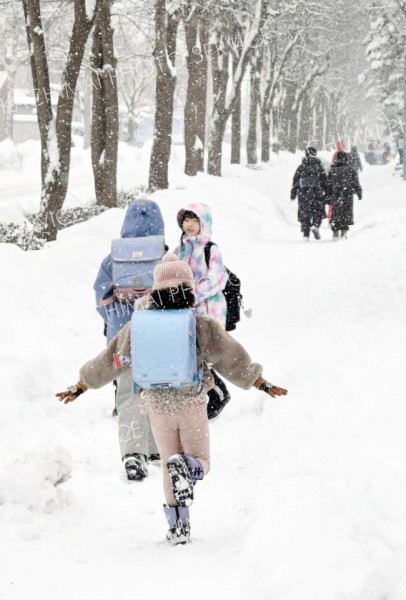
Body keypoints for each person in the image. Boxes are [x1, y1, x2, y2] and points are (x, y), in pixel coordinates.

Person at [56, 253, 288, 545]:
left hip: (156, 405)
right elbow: (230, 357)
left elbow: (113, 359)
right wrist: (258, 380)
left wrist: (82, 384)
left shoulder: (137, 325)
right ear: (188, 287)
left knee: (168, 461)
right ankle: (189, 467)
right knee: (200, 459)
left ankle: (178, 526)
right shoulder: (200, 324)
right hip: (190, 401)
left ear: (156, 289)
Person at [93, 198, 164, 481]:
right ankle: (156, 446)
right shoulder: (166, 256)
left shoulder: (112, 258)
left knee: (127, 393)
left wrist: (117, 318)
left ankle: (133, 452)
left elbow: (100, 297)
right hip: (159, 337)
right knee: (157, 391)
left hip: (123, 339)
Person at [175, 203, 231, 419]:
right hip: (187, 312)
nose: (189, 225)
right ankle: (206, 396)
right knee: (193, 356)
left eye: (194, 220)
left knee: (205, 356)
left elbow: (218, 278)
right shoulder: (180, 248)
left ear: (203, 223)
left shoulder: (210, 249)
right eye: (186, 220)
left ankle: (219, 394)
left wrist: (193, 293)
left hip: (210, 311)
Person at [290, 147, 328, 241]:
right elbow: (325, 182)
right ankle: (315, 226)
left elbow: (295, 182)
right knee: (318, 210)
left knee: (305, 212)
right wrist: (328, 193)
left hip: (304, 194)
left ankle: (306, 235)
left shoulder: (301, 167)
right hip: (317, 192)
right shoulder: (320, 167)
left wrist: (293, 193)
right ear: (315, 154)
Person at [327, 151, 362, 240]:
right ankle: (344, 232)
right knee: (346, 212)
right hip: (347, 195)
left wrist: (327, 195)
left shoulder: (332, 169)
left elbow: (328, 184)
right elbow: (356, 183)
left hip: (335, 194)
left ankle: (335, 231)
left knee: (336, 212)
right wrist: (359, 192)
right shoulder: (350, 169)